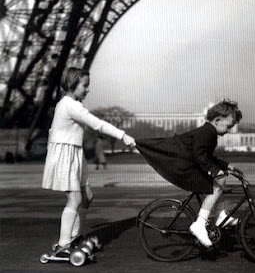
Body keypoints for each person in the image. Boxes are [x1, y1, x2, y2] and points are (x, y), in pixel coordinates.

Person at [42, 67, 136, 254]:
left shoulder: (68, 104)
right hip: (65, 155)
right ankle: (63, 244)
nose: (88, 89)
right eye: (85, 85)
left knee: (87, 197)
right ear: (72, 84)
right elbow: (97, 124)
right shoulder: (70, 105)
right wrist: (123, 135)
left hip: (74, 153)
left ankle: (75, 236)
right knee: (75, 198)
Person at [136, 99, 242, 247]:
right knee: (220, 180)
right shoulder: (207, 133)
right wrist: (216, 171)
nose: (229, 130)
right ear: (218, 120)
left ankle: (219, 214)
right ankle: (200, 224)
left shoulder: (209, 132)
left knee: (219, 180)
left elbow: (208, 157)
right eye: (229, 126)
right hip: (184, 167)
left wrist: (227, 165)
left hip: (188, 165)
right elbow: (200, 157)